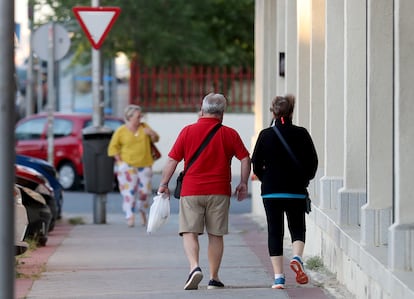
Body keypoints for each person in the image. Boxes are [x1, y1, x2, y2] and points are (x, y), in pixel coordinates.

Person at [157, 93, 251, 290]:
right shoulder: (230, 134)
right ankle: (214, 278)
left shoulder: (187, 131)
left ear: (202, 111)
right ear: (222, 114)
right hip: (219, 191)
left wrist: (164, 183)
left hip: (191, 191)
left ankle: (194, 267)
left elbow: (173, 160)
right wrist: (243, 182)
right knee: (216, 235)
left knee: (189, 232)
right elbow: (244, 158)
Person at [251, 94, 318, 289]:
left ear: (273, 112)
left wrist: (268, 179)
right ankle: (297, 257)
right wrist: (305, 179)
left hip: (271, 192)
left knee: (275, 231)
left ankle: (279, 278)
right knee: (297, 227)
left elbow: (256, 164)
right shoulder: (302, 133)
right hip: (296, 190)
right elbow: (313, 162)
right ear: (291, 112)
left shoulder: (265, 135)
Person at [108, 104, 160, 227]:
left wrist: (151, 133)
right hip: (128, 166)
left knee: (145, 192)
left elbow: (156, 139)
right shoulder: (121, 131)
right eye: (138, 116)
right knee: (129, 193)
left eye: (140, 116)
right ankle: (129, 215)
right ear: (130, 117)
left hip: (145, 165)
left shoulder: (144, 127)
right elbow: (113, 147)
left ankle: (142, 210)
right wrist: (120, 162)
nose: (140, 118)